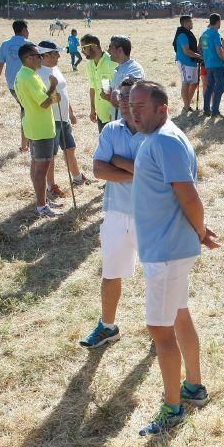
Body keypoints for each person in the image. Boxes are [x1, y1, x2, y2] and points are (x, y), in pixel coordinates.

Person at [128, 80, 219, 436]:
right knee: (179, 317)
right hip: (167, 248)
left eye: (141, 107)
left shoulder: (164, 139)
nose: (134, 112)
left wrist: (200, 230)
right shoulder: (162, 137)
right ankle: (193, 387)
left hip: (165, 252)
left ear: (161, 108)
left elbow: (188, 195)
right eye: (130, 105)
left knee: (160, 330)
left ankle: (172, 408)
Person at [79, 78, 145, 348]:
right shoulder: (110, 131)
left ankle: (165, 329)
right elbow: (97, 170)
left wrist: (116, 162)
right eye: (123, 96)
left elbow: (151, 175)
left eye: (133, 97)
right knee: (111, 272)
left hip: (149, 215)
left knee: (157, 275)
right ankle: (108, 326)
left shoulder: (156, 133)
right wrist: (132, 169)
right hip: (116, 214)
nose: (127, 102)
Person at [36, 40, 89, 200]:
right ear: (44, 55)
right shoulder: (38, 73)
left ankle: (77, 177)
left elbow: (63, 91)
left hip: (64, 117)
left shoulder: (55, 68)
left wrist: (71, 113)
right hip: (51, 119)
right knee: (51, 155)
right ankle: (51, 185)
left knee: (70, 148)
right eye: (55, 53)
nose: (59, 56)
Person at [14, 43, 61, 218]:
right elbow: (43, 103)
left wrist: (51, 90)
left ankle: (42, 201)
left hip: (32, 126)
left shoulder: (23, 75)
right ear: (28, 58)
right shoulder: (30, 77)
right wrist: (54, 90)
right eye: (37, 55)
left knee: (36, 165)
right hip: (41, 129)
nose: (40, 58)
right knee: (41, 169)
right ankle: (41, 206)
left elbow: (41, 97)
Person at [0, 19, 33, 152]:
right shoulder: (30, 45)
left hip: (12, 85)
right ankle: (26, 145)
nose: (28, 32)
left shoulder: (5, 44)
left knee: (26, 110)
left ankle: (25, 144)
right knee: (28, 111)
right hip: (28, 84)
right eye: (27, 29)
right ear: (23, 30)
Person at [81, 34, 117, 134]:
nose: (82, 51)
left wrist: (114, 112)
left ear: (93, 46)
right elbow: (92, 88)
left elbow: (118, 90)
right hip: (101, 114)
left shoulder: (112, 62)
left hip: (114, 115)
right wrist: (92, 109)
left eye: (84, 48)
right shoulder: (89, 65)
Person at [107, 35, 145, 121]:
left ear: (120, 50)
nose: (108, 51)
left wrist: (116, 91)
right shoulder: (118, 69)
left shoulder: (135, 68)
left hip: (130, 125)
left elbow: (130, 82)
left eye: (110, 47)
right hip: (119, 123)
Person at [199, 13, 224, 117]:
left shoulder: (204, 34)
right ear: (218, 22)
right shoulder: (215, 34)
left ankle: (206, 109)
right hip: (217, 64)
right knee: (219, 88)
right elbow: (219, 51)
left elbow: (200, 48)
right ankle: (215, 110)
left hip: (208, 64)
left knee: (209, 87)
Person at [174, 15, 202, 112]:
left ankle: (187, 104)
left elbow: (193, 49)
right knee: (186, 83)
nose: (192, 23)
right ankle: (186, 106)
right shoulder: (182, 35)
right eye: (190, 22)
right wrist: (198, 56)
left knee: (194, 83)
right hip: (184, 62)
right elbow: (186, 51)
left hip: (192, 62)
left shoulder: (189, 33)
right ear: (185, 23)